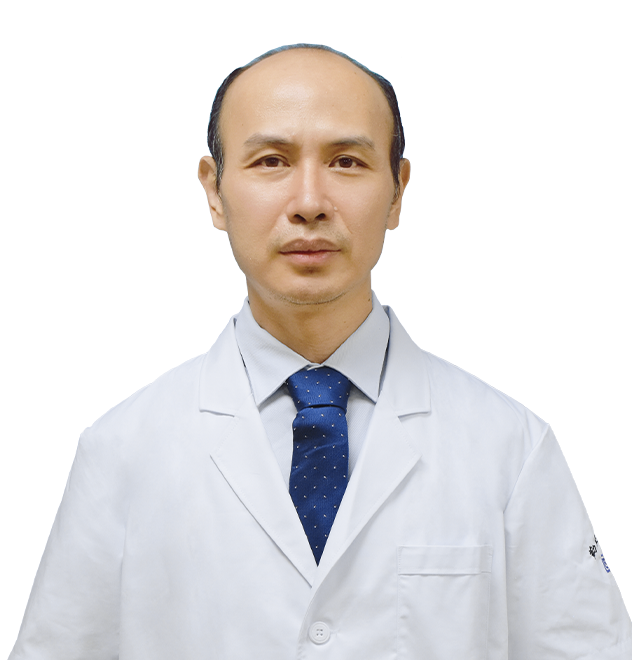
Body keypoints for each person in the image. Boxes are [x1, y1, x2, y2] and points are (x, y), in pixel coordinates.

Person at [10, 45, 632, 660]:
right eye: (271, 161)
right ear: (215, 192)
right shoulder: (121, 450)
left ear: (397, 191)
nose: (309, 202)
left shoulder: (511, 449)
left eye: (347, 162)